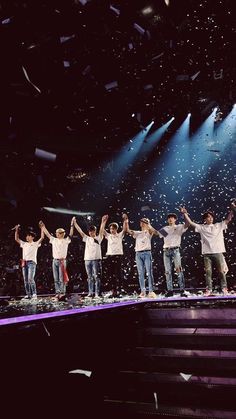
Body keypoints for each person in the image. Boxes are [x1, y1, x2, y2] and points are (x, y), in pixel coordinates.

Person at [180, 205, 234, 295]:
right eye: (208, 217)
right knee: (208, 272)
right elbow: (191, 223)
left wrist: (232, 210)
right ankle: (209, 289)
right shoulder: (202, 227)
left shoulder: (218, 225)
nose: (210, 218)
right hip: (207, 254)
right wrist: (185, 213)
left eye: (211, 217)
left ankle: (224, 288)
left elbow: (228, 219)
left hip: (218, 252)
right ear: (205, 219)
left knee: (222, 272)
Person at [72, 215, 107, 298]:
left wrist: (103, 221)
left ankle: (97, 293)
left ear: (95, 231)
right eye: (90, 231)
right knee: (89, 277)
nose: (92, 233)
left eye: (93, 231)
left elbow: (102, 229)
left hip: (96, 260)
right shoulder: (86, 238)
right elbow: (80, 231)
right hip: (87, 260)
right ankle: (90, 293)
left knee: (97, 277)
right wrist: (75, 223)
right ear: (89, 232)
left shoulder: (99, 238)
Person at [39, 219, 74, 300]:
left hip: (62, 261)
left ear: (61, 234)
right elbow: (47, 234)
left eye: (58, 233)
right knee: (56, 278)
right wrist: (43, 227)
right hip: (54, 260)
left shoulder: (66, 240)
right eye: (56, 233)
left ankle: (62, 292)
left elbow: (71, 234)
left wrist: (72, 225)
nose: (56, 234)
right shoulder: (54, 240)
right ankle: (57, 292)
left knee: (62, 278)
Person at [125, 216, 158, 298]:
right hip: (138, 254)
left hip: (147, 253)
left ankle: (150, 291)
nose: (142, 223)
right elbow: (128, 231)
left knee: (149, 273)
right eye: (141, 222)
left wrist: (148, 224)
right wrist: (126, 221)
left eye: (144, 222)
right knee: (140, 273)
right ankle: (143, 291)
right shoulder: (138, 233)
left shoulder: (150, 232)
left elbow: (156, 232)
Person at [158, 212, 189, 297]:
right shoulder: (165, 229)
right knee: (167, 272)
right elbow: (157, 234)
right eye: (169, 218)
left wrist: (185, 214)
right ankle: (170, 290)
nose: (170, 219)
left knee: (178, 270)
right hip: (166, 251)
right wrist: (149, 226)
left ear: (175, 219)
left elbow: (188, 224)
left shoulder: (179, 227)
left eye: (172, 218)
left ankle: (182, 290)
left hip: (175, 250)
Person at [100, 214, 129, 297]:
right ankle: (113, 290)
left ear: (116, 229)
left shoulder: (120, 235)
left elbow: (124, 229)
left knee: (118, 274)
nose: (111, 230)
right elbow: (102, 230)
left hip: (118, 256)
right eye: (110, 229)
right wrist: (103, 221)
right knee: (111, 274)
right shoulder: (108, 236)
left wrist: (125, 220)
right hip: (110, 256)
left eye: (113, 228)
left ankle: (119, 290)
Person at [14, 224, 44, 300]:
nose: (27, 237)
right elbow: (16, 239)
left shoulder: (35, 244)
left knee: (30, 279)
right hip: (24, 263)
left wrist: (42, 228)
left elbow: (42, 237)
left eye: (29, 236)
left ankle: (34, 294)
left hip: (32, 263)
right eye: (26, 236)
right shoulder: (24, 244)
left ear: (32, 237)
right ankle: (28, 294)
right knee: (26, 280)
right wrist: (16, 230)